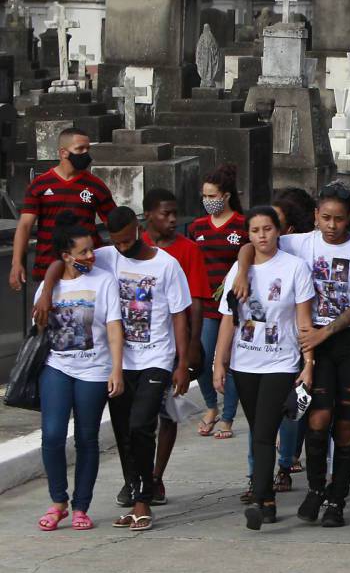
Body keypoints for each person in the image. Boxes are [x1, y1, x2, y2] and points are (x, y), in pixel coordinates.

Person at [233, 183, 350, 527]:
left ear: (349, 220)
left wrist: (323, 333)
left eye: (339, 219)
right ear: (315, 216)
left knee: (345, 425)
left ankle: (337, 498)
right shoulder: (301, 242)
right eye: (326, 218)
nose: (332, 225)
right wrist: (242, 271)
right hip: (315, 342)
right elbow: (250, 246)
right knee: (317, 419)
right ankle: (316, 489)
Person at [212, 206, 315, 530]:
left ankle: (259, 500)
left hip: (281, 362)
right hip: (245, 363)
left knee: (265, 433)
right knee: (259, 432)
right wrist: (219, 361)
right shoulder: (239, 270)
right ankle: (267, 498)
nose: (262, 236)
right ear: (249, 234)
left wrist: (308, 363)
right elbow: (229, 319)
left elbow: (303, 319)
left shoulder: (295, 267)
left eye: (268, 229)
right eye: (255, 231)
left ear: (278, 231)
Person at [96, 207, 191, 531]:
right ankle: (135, 491)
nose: (121, 248)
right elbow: (66, 260)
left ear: (138, 229)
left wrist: (182, 363)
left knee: (140, 425)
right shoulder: (106, 256)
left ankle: (144, 499)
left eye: (126, 241)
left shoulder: (166, 264)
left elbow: (180, 314)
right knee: (123, 431)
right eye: (116, 242)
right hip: (120, 362)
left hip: (157, 358)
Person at [32, 214, 124, 532]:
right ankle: (58, 501)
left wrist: (116, 369)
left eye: (91, 249)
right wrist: (44, 303)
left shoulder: (104, 280)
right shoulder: (49, 286)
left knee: (87, 438)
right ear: (65, 256)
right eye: (83, 251)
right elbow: (40, 329)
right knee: (53, 435)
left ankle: (81, 506)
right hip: (57, 367)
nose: (90, 256)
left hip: (95, 371)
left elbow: (114, 328)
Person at [141, 189, 210, 505]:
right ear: (148, 215)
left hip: (172, 345)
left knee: (167, 413)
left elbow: (196, 302)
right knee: (136, 418)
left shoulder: (188, 250)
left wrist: (192, 347)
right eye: (165, 213)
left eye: (174, 213)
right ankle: (137, 476)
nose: (172, 219)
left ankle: (156, 477)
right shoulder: (134, 245)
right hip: (136, 345)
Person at [12, 127, 114, 290]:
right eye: (79, 149)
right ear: (63, 153)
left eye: (88, 149)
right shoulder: (40, 185)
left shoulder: (96, 186)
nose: (85, 153)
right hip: (48, 266)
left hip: (88, 270)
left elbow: (114, 224)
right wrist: (16, 263)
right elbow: (25, 225)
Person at [189, 164, 246, 441]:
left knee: (229, 361)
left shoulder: (242, 225)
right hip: (204, 305)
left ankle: (227, 417)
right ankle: (211, 405)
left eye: (212, 196)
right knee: (200, 359)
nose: (208, 201)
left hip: (233, 306)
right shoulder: (196, 227)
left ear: (225, 196)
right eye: (204, 196)